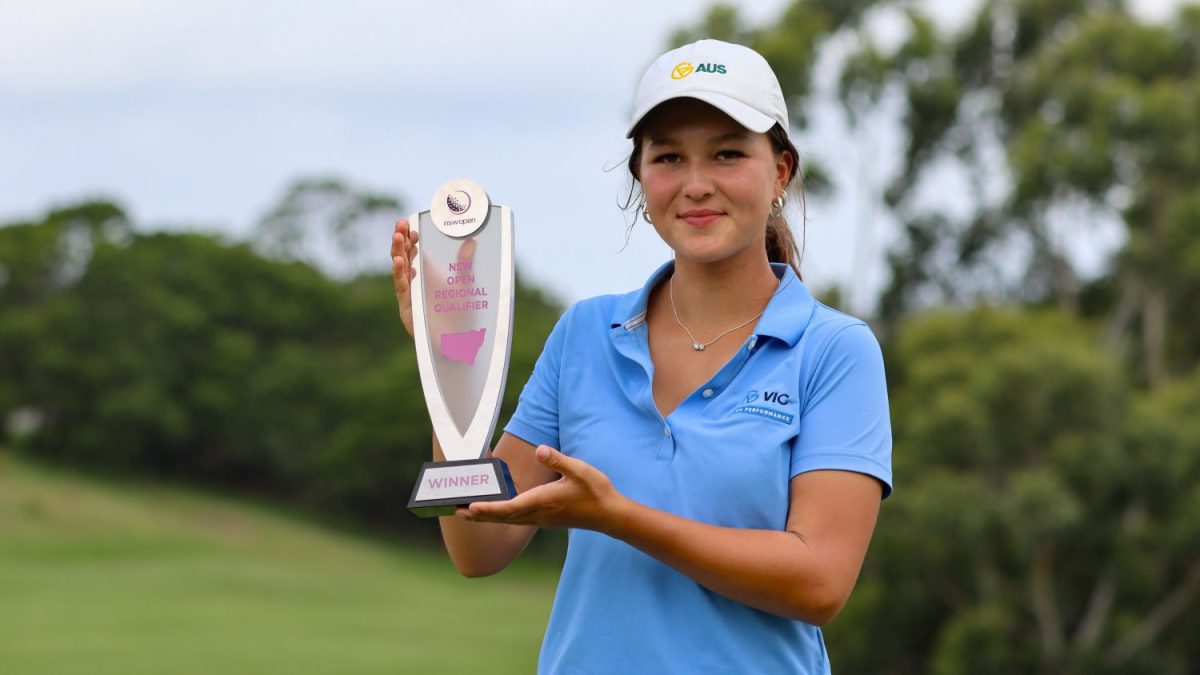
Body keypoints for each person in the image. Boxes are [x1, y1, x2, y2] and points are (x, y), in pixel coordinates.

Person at [391, 39, 892, 674]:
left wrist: (619, 517)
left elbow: (818, 583)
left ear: (781, 172)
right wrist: (447, 369)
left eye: (728, 153)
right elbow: (479, 547)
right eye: (669, 157)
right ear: (641, 176)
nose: (696, 184)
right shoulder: (586, 332)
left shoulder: (834, 351)